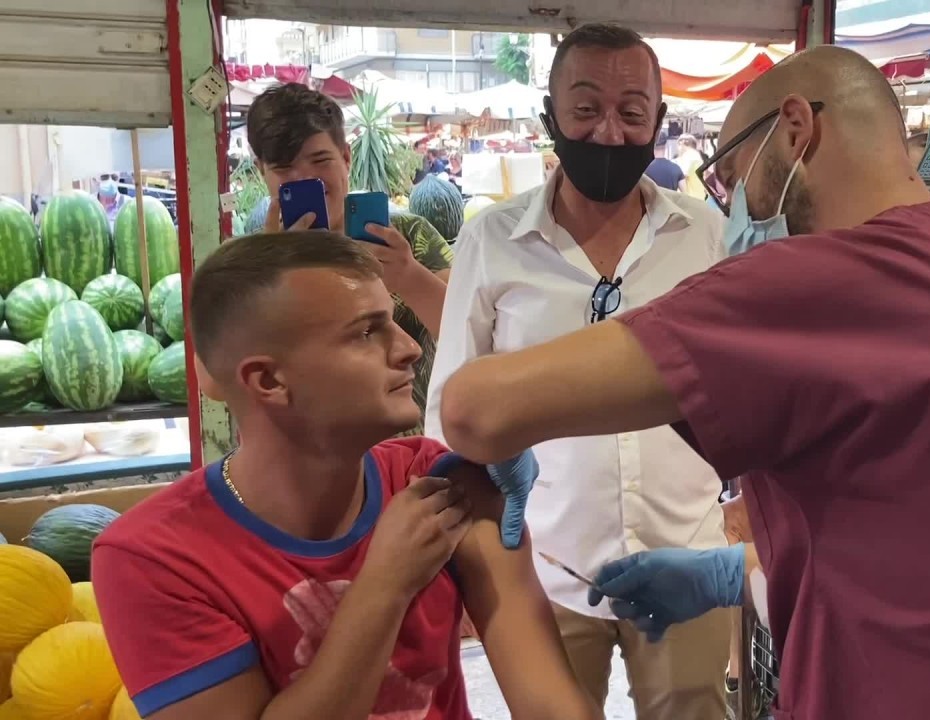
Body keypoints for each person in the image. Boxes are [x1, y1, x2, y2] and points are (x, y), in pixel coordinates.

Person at [435, 44, 930, 719]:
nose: (733, 208)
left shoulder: (821, 280)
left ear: (795, 131)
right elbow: (926, 536)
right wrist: (730, 573)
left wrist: (503, 444)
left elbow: (473, 408)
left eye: (732, 177)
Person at [91, 231, 598, 720]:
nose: (410, 348)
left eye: (393, 322)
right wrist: (385, 585)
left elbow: (551, 704)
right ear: (268, 380)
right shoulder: (153, 558)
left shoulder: (437, 481)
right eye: (367, 332)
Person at [424, 23, 730, 720]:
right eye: (586, 109)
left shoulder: (706, 237)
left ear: (658, 120)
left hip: (686, 552)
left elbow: (742, 388)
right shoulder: (492, 241)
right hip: (544, 567)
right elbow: (450, 408)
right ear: (550, 117)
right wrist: (472, 553)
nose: (609, 133)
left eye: (632, 112)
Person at [247, 83, 453, 432]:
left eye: (320, 160)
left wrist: (409, 276)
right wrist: (271, 283)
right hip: (308, 449)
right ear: (260, 171)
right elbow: (217, 380)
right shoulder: (251, 261)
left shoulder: (410, 236)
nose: (305, 178)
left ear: (346, 157)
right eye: (283, 167)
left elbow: (468, 334)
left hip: (413, 447)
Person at [676, 133, 708, 200]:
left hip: (690, 198)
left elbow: (681, 176)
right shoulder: (697, 157)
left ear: (682, 143)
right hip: (699, 197)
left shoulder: (688, 156)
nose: (678, 149)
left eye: (678, 145)